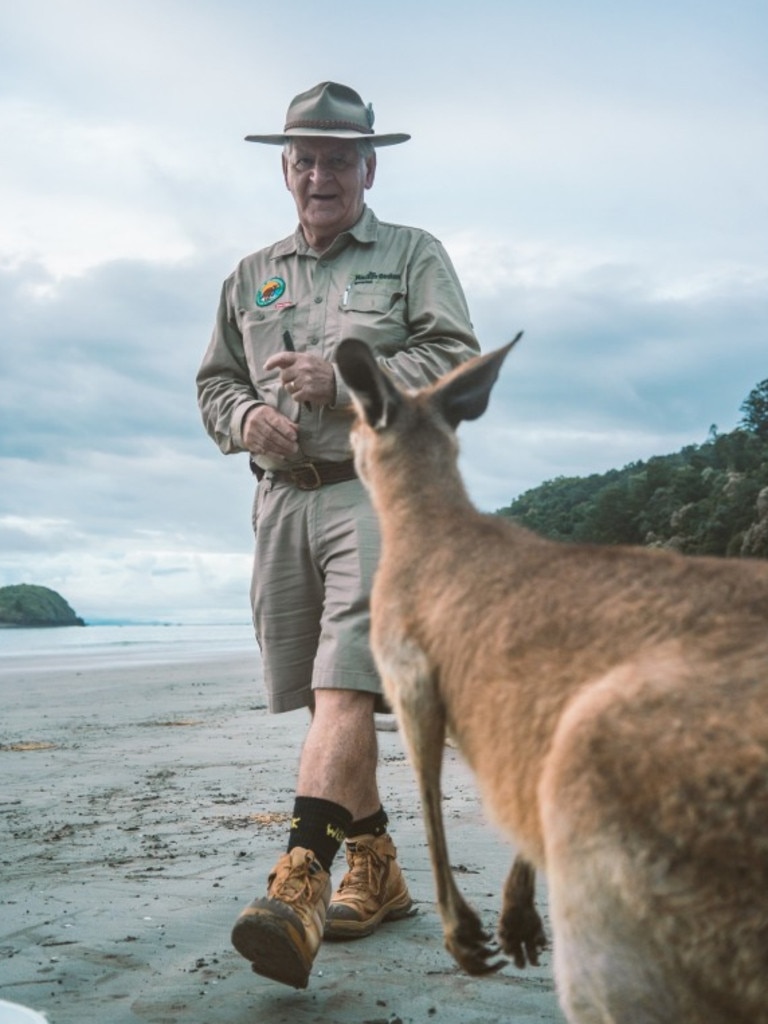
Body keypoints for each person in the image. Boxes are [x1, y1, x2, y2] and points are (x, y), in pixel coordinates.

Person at [196, 81, 480, 989]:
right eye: (304, 157)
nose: (320, 173)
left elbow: (455, 359)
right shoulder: (249, 274)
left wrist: (349, 378)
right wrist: (245, 420)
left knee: (345, 675)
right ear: (285, 168)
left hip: (378, 490)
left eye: (338, 158)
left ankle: (300, 882)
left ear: (369, 165)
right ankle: (382, 869)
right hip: (281, 502)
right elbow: (213, 383)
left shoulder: (411, 254)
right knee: (326, 698)